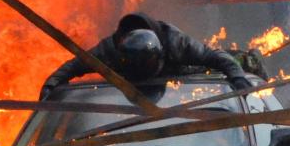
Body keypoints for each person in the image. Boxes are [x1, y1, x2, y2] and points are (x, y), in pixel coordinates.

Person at [40, 13, 252, 99]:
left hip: (180, 76)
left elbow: (216, 57)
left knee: (242, 61)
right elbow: (72, 67)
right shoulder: (108, 51)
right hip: (131, 94)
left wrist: (239, 79)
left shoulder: (175, 42)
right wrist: (50, 87)